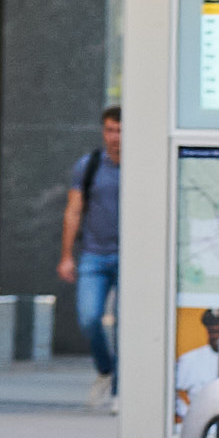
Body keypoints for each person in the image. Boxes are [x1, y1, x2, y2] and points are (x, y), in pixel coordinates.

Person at [58, 106, 124, 410]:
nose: (115, 137)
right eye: (110, 130)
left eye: (121, 130)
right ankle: (106, 369)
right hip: (94, 255)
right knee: (88, 318)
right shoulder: (90, 165)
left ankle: (121, 390)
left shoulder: (142, 164)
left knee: (127, 324)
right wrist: (66, 256)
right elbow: (73, 211)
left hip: (130, 257)